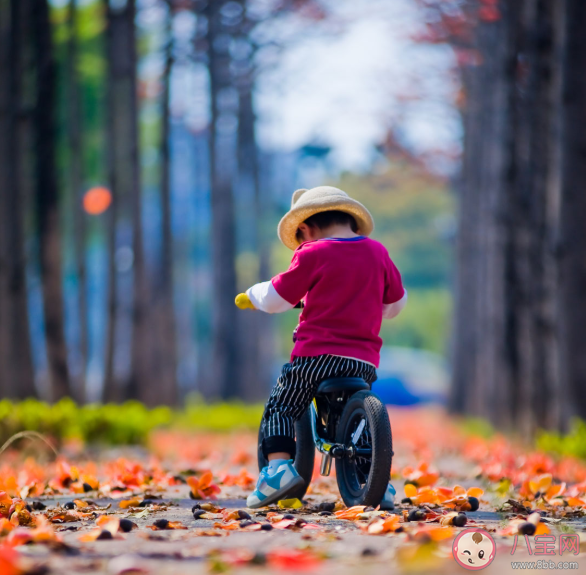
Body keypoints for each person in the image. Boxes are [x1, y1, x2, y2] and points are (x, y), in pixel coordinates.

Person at [235, 186, 407, 509]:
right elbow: (396, 302)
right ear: (351, 222)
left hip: (317, 357)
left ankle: (276, 470)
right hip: (362, 362)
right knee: (356, 424)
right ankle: (375, 482)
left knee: (282, 403)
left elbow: (277, 297)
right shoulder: (377, 253)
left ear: (305, 229)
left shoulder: (312, 253)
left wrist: (253, 295)